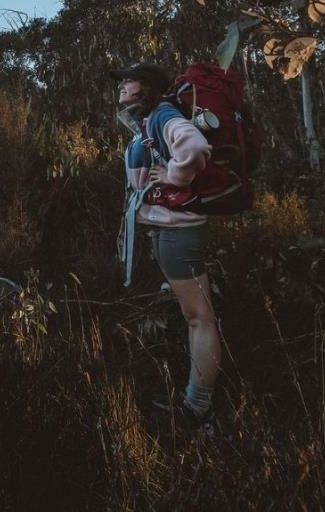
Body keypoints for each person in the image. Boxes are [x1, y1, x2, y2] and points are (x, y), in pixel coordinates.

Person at [111, 61, 219, 428]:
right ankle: (196, 397)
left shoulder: (162, 115)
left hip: (179, 231)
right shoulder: (147, 121)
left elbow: (194, 147)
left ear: (147, 88)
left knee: (199, 318)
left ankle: (197, 406)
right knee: (195, 314)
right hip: (169, 230)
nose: (122, 86)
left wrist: (172, 174)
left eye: (129, 80)